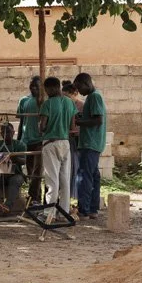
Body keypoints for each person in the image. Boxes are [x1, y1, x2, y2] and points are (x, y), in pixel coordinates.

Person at [38, 76, 77, 216]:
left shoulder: (47, 104)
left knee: (52, 180)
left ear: (52, 88)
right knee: (65, 179)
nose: (46, 92)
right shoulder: (70, 103)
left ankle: (49, 213)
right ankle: (64, 212)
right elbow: (72, 126)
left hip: (50, 143)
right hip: (65, 142)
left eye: (46, 89)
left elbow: (42, 127)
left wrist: (42, 127)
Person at [74, 73, 107, 220]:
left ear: (85, 83)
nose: (79, 92)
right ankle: (93, 209)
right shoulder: (93, 97)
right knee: (94, 176)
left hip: (90, 142)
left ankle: (84, 210)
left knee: (84, 176)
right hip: (93, 142)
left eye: (79, 87)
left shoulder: (94, 96)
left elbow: (98, 120)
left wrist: (79, 123)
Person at [0, 122, 27, 215]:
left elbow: (23, 161)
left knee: (15, 181)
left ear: (13, 132)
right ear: (0, 134)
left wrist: (12, 157)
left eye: (8, 132)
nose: (6, 134)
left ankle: (7, 206)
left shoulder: (20, 145)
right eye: (3, 132)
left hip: (16, 174)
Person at [17, 76, 43, 204]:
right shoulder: (24, 101)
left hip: (40, 140)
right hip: (26, 140)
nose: (34, 88)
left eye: (36, 86)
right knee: (30, 170)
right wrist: (18, 140)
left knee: (37, 171)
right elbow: (22, 121)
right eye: (32, 86)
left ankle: (35, 197)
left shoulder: (44, 101)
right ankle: (35, 197)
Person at [62, 81, 84, 198]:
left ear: (75, 93)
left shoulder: (81, 106)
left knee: (76, 167)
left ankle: (76, 195)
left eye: (67, 96)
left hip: (77, 139)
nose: (65, 98)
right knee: (68, 168)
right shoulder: (65, 105)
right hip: (67, 139)